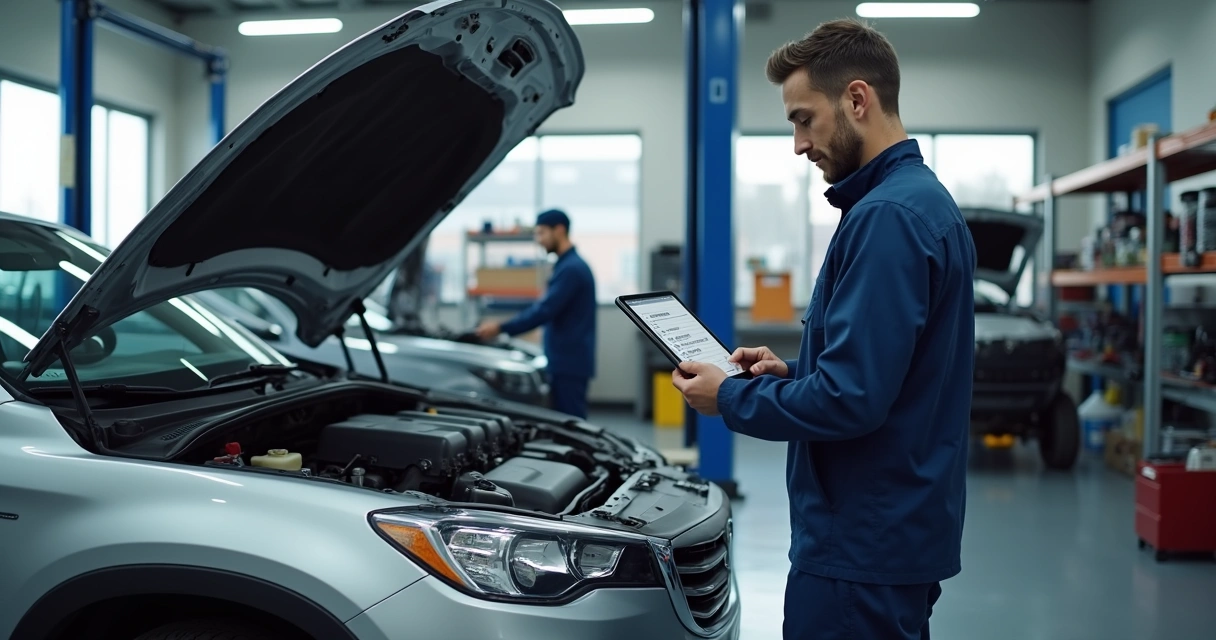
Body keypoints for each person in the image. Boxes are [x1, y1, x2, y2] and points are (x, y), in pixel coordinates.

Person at [671, 18, 976, 640]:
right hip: (896, 526)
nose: (798, 143)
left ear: (856, 100)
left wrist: (727, 396)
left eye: (803, 118)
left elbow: (851, 400)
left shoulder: (886, 218)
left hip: (861, 542)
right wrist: (794, 371)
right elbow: (891, 374)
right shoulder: (920, 202)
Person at [476, 209, 597, 419]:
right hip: (566, 359)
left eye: (541, 233)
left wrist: (501, 327)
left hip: (568, 362)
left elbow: (545, 310)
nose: (538, 240)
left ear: (559, 230)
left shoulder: (572, 269)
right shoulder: (567, 266)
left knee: (571, 425)